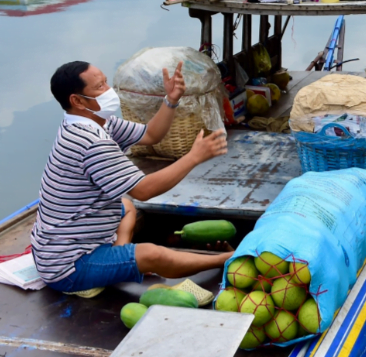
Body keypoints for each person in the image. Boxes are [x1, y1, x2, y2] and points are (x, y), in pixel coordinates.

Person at [33, 61, 232, 294]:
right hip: (69, 266)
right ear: (76, 100)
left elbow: (151, 134)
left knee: (126, 206)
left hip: (69, 238)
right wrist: (193, 157)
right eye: (99, 87)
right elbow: (144, 191)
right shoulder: (89, 142)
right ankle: (224, 259)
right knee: (151, 254)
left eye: (106, 82)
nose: (108, 90)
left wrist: (171, 100)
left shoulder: (100, 123)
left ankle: (120, 253)